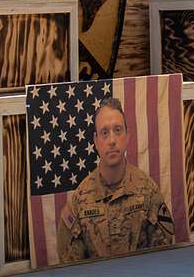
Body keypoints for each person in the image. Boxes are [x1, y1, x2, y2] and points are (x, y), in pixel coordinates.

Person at [59, 97, 174, 261]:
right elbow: (70, 268)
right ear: (96, 142)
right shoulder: (79, 202)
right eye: (104, 133)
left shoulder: (149, 192)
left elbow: (164, 258)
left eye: (118, 130)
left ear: (128, 136)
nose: (112, 140)